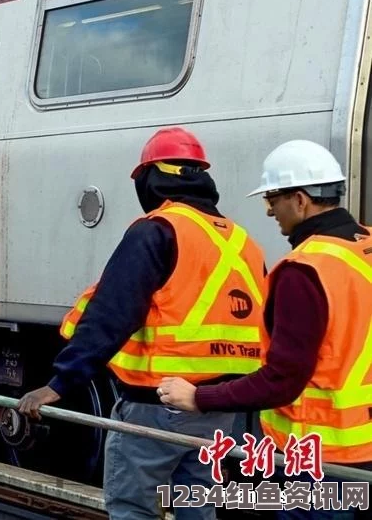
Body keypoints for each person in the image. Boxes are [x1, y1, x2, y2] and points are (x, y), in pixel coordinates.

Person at [17, 127, 268, 520]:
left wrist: (59, 384)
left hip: (158, 406)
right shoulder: (242, 241)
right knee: (197, 508)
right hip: (220, 409)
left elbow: (111, 314)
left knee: (134, 509)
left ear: (151, 178)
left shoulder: (157, 229)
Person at [157, 140, 372, 518]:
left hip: (323, 462)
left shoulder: (305, 270)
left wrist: (199, 398)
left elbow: (282, 380)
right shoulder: (366, 246)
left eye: (273, 198)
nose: (270, 210)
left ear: (301, 199)